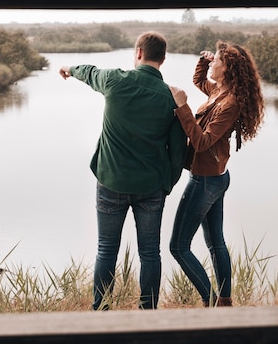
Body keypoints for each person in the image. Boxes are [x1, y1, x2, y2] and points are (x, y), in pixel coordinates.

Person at [59, 31, 186, 310]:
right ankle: (148, 312)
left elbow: (89, 72)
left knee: (106, 250)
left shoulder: (115, 81)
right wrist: (168, 184)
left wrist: (68, 69)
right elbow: (178, 150)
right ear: (162, 60)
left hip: (111, 183)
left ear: (138, 53)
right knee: (150, 253)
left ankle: (101, 310)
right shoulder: (171, 98)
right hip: (152, 188)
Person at [168, 41, 264, 307]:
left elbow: (201, 142)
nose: (213, 64)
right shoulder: (221, 91)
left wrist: (182, 108)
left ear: (227, 68)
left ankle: (210, 301)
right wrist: (204, 61)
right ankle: (225, 302)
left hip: (206, 181)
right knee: (216, 243)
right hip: (216, 177)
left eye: (217, 61)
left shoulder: (229, 103)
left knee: (178, 247)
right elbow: (199, 79)